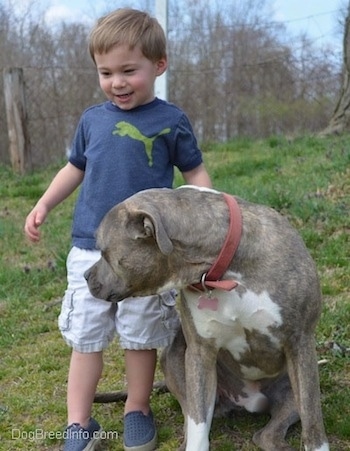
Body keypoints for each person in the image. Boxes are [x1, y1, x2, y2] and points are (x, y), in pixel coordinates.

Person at [24, 7, 212, 451]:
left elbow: (196, 174)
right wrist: (45, 203)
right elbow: (75, 168)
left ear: (158, 65)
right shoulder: (92, 120)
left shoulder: (172, 121)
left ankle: (137, 408)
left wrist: (212, 214)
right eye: (106, 73)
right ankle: (80, 423)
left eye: (129, 70)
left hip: (149, 257)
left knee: (141, 332)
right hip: (92, 248)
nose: (117, 82)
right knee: (87, 334)